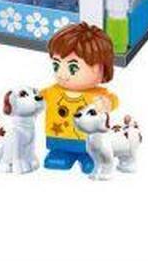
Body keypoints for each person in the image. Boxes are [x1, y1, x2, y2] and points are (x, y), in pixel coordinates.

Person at [40, 22, 118, 173]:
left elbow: (112, 101)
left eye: (73, 68)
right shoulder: (52, 91)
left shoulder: (97, 95)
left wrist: (106, 103)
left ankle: (89, 157)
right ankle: (61, 153)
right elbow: (37, 99)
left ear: (100, 67)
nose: (62, 74)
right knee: (58, 154)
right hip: (58, 139)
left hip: (89, 142)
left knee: (92, 153)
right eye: (56, 65)